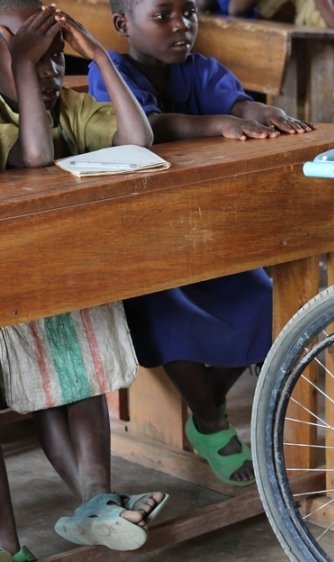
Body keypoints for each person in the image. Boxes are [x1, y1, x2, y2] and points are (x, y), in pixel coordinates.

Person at [87, 0, 312, 487]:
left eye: (188, 13)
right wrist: (216, 125)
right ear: (124, 25)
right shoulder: (108, 72)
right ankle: (210, 420)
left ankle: (205, 404)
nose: (180, 26)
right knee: (167, 312)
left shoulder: (200, 68)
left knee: (265, 302)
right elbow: (147, 129)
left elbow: (236, 102)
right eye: (163, 16)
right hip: (142, 241)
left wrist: (262, 111)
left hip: (209, 232)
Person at [0, 0, 166, 552]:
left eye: (55, 61)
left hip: (57, 278)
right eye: (34, 62)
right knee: (49, 380)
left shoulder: (65, 102)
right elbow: (33, 156)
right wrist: (21, 68)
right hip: (13, 290)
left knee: (82, 370)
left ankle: (97, 500)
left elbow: (136, 138)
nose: (50, 74)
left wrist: (97, 56)